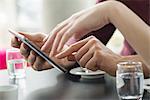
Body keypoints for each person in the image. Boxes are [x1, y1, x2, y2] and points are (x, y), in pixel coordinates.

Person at [11, 0, 150, 76]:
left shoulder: (112, 7)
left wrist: (112, 10)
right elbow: (90, 37)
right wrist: (65, 55)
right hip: (126, 84)